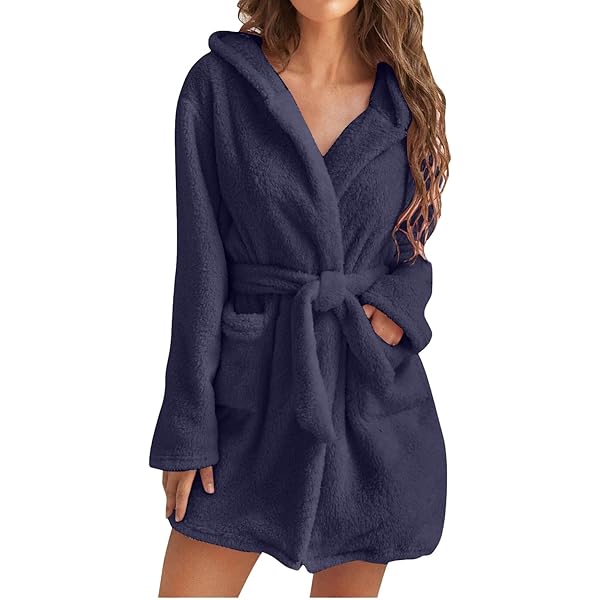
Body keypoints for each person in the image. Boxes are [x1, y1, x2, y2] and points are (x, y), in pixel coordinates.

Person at [149, 0, 450, 596]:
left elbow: (410, 246)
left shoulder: (404, 99)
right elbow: (200, 265)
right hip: (250, 395)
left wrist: (397, 306)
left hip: (365, 403)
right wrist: (189, 424)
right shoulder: (219, 87)